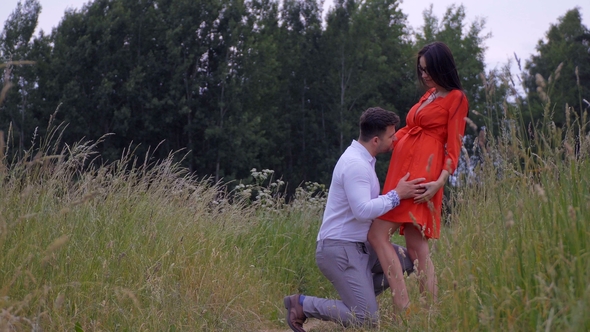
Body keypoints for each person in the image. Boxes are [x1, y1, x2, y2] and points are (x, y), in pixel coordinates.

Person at [283, 107, 426, 331]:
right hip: (340, 249)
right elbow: (362, 210)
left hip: (361, 248)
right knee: (366, 319)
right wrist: (397, 195)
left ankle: (360, 296)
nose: (396, 138)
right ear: (376, 140)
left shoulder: (365, 159)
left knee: (409, 261)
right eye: (391, 135)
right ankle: (302, 304)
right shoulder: (355, 165)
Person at [367, 41, 469, 315]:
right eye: (421, 70)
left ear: (441, 67)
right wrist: (371, 148)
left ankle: (405, 307)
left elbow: (454, 145)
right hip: (404, 173)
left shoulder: (456, 98)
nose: (423, 75)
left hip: (422, 178)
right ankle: (430, 314)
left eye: (428, 70)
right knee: (416, 246)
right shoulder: (430, 95)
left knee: (378, 233)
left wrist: (439, 183)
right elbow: (408, 131)